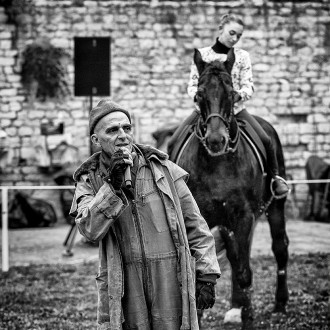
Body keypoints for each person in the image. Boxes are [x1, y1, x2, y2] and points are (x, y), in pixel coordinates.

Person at [70, 97, 221, 330]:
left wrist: (207, 274)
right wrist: (112, 187)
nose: (122, 135)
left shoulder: (164, 169)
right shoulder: (88, 179)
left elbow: (195, 225)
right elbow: (89, 230)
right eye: (112, 130)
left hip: (170, 279)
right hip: (125, 284)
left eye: (127, 127)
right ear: (95, 140)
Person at [179, 13, 289, 197]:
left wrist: (238, 96)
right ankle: (174, 183)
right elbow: (192, 85)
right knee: (174, 140)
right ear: (221, 28)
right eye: (232, 33)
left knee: (266, 139)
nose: (235, 38)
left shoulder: (242, 56)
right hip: (205, 110)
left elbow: (249, 86)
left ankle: (275, 179)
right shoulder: (202, 55)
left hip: (235, 110)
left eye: (239, 35)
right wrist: (198, 96)